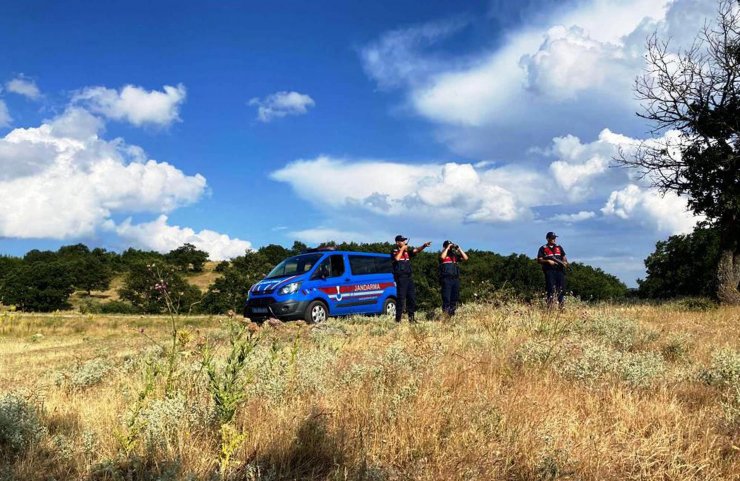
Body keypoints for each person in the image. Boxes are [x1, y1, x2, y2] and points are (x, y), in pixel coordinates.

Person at [391, 234, 431, 322]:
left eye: (405, 240)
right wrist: (402, 249)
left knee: (411, 298)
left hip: (409, 277)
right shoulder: (394, 251)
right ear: (397, 242)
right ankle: (398, 320)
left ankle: (411, 319)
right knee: (401, 298)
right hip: (401, 278)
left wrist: (424, 246)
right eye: (402, 241)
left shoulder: (407, 252)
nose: (404, 242)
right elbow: (397, 258)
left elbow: (416, 250)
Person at [536, 232, 569, 309]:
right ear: (548, 239)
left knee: (561, 289)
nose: (554, 239)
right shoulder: (543, 248)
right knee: (550, 289)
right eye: (552, 238)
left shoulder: (559, 247)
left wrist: (565, 262)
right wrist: (548, 261)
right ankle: (550, 308)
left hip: (560, 271)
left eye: (555, 238)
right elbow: (539, 260)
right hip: (549, 271)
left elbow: (564, 257)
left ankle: (561, 308)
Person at [439, 240, 468, 316]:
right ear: (445, 247)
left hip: (455, 279)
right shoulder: (443, 254)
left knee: (454, 298)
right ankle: (445, 316)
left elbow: (466, 258)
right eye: (449, 246)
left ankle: (451, 315)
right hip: (446, 279)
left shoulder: (454, 256)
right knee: (446, 298)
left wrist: (459, 249)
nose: (451, 247)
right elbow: (442, 257)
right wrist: (447, 248)